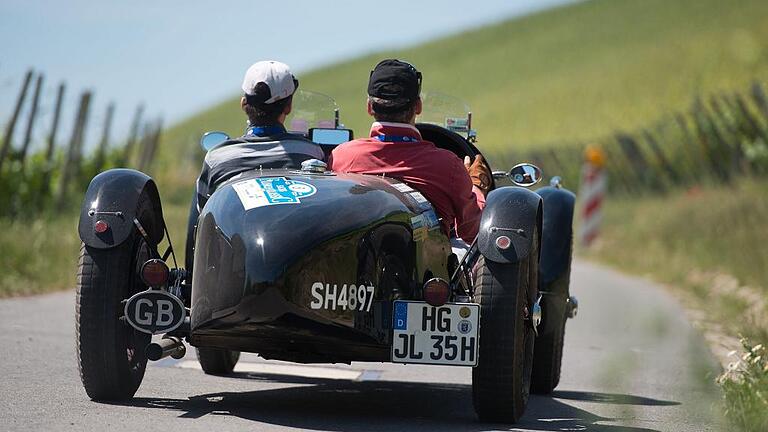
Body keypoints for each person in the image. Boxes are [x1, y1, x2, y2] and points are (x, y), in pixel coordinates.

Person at [330, 59, 491, 246]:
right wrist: (476, 187)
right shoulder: (448, 165)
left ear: (369, 107)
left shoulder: (341, 157)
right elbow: (472, 232)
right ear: (418, 106)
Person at [186, 60, 324, 273]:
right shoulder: (309, 152)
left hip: (231, 266)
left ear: (244, 104)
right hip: (294, 265)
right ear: (288, 106)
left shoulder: (218, 157)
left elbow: (201, 220)